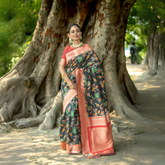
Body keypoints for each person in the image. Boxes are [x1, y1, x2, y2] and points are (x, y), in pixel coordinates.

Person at [59, 23, 114, 159]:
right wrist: (69, 81)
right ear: (69, 35)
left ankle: (84, 143)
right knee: (71, 111)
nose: (76, 33)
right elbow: (61, 67)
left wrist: (81, 74)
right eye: (73, 31)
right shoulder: (67, 49)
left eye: (78, 31)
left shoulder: (87, 48)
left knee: (81, 111)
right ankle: (73, 145)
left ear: (81, 33)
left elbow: (96, 66)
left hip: (84, 85)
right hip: (68, 85)